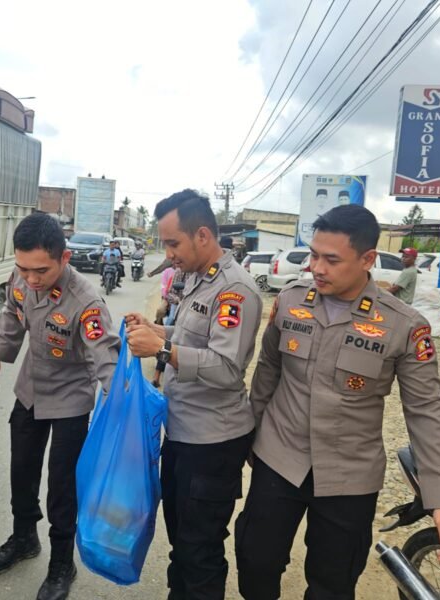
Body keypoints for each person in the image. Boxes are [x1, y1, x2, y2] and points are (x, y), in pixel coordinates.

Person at [235, 205, 440, 600]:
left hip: (349, 475)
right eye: (313, 255)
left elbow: (427, 411)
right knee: (256, 562)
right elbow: (267, 373)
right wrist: (247, 438)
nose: (317, 268)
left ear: (367, 260)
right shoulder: (291, 301)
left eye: (331, 259)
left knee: (333, 582)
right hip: (280, 457)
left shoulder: (403, 325)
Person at [125, 189, 263, 600]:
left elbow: (225, 367)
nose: (168, 254)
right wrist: (155, 333)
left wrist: (163, 350)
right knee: (183, 544)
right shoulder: (196, 279)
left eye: (173, 243)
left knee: (199, 550)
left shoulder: (235, 291)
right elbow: (190, 338)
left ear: (202, 235)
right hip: (183, 432)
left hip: (213, 442)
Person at [0, 213, 121, 600]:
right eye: (23, 268)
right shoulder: (22, 277)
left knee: (63, 487)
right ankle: (24, 537)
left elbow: (105, 356)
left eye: (40, 270)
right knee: (21, 470)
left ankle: (62, 561)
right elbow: (11, 314)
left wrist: (120, 407)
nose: (31, 279)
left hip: (71, 398)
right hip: (30, 388)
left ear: (65, 258)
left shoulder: (86, 302)